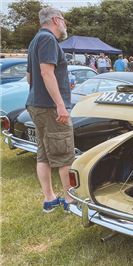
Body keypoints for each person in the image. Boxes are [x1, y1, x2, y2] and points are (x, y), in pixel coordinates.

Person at [26, 7, 75, 213]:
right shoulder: (48, 39)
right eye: (63, 20)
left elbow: (31, 76)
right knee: (64, 154)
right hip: (50, 108)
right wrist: (60, 104)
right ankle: (70, 201)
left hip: (36, 104)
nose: (64, 24)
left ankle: (50, 199)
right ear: (56, 20)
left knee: (44, 154)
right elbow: (46, 73)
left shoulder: (35, 39)